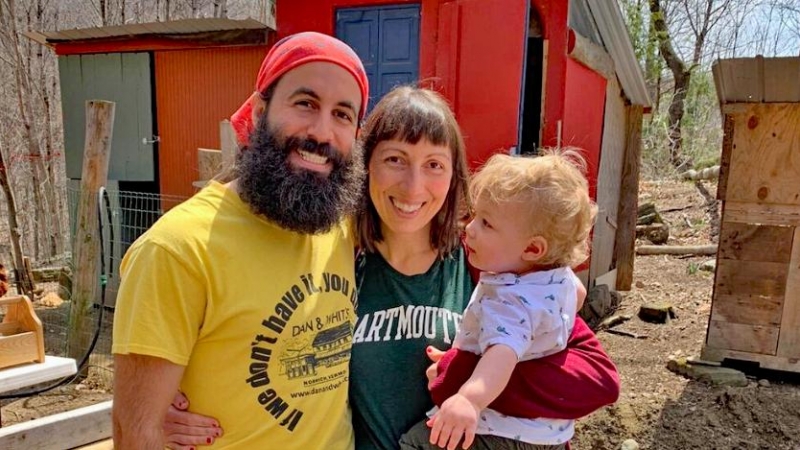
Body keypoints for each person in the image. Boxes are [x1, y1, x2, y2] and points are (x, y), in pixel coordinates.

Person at [162, 86, 620, 450]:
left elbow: (597, 381)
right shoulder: (334, 258)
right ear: (365, 167)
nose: (413, 185)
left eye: (434, 165)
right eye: (395, 160)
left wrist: (461, 376)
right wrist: (178, 402)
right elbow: (261, 344)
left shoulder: (489, 265)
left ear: (454, 175)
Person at [111, 32, 371, 449]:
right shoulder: (177, 250)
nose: (322, 132)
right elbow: (136, 431)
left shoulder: (341, 224)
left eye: (343, 114)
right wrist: (154, 419)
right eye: (305, 103)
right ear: (259, 109)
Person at [399, 151, 597, 450]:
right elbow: (577, 298)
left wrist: (468, 400)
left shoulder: (507, 300)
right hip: (550, 434)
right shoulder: (560, 279)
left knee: (414, 443)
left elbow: (501, 356)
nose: (470, 228)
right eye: (476, 216)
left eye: (487, 224)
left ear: (532, 248)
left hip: (502, 431)